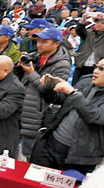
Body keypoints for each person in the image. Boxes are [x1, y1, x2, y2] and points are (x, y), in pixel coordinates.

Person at [32, 54, 104, 174]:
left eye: (101, 68)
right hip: (52, 143)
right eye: (96, 67)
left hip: (79, 158)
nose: (96, 71)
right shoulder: (86, 81)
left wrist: (73, 93)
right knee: (37, 182)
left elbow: (95, 117)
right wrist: (49, 87)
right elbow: (60, 99)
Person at [18, 27, 73, 160]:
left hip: (37, 112)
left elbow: (50, 91)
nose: (39, 44)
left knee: (28, 154)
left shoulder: (62, 64)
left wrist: (31, 73)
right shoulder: (36, 56)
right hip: (21, 105)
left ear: (56, 44)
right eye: (38, 41)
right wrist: (19, 66)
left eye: (44, 42)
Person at [73, 13, 104, 83]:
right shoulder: (89, 33)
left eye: (102, 23)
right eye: (97, 22)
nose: (99, 24)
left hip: (99, 67)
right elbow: (79, 30)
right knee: (75, 85)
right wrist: (83, 20)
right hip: (82, 65)